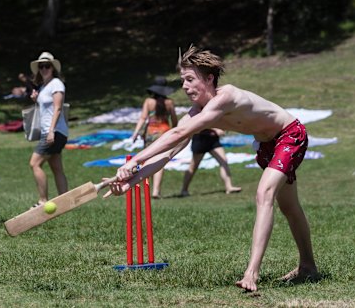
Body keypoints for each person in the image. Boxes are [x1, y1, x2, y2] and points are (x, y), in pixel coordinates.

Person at [108, 45, 318, 292]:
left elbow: (177, 132)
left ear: (209, 78)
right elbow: (169, 152)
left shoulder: (225, 97)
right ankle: (308, 267)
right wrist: (132, 180)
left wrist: (134, 162)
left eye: (189, 79)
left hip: (289, 135)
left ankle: (251, 273)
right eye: (182, 80)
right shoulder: (196, 112)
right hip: (267, 145)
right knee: (290, 207)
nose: (184, 87)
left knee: (264, 194)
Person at [29, 52, 69, 207]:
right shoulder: (44, 87)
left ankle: (43, 200)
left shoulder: (56, 84)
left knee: (34, 163)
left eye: (47, 66)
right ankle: (66, 202)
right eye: (41, 66)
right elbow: (46, 109)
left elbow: (58, 108)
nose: (44, 68)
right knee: (56, 166)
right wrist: (35, 99)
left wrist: (51, 130)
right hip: (53, 132)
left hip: (54, 132)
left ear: (53, 68)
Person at [130, 76, 178, 198]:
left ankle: (152, 189)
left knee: (149, 160)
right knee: (160, 161)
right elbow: (174, 120)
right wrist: (176, 133)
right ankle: (156, 191)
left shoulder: (149, 102)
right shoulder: (169, 103)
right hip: (165, 134)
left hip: (150, 134)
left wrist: (136, 133)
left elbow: (143, 118)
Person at [180, 128, 241, 196]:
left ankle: (229, 187)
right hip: (200, 139)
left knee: (223, 161)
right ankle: (184, 190)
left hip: (213, 140)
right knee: (193, 166)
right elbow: (201, 124)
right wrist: (215, 130)